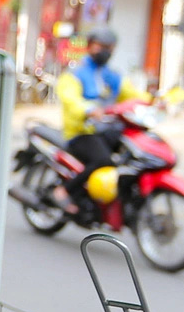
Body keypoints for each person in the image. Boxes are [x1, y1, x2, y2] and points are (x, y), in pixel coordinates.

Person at [54, 27, 136, 208]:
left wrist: (156, 101)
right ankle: (65, 191)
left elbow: (132, 95)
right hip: (81, 132)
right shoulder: (76, 73)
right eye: (102, 46)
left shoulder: (111, 75)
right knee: (103, 161)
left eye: (110, 47)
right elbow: (70, 99)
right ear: (90, 46)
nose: (106, 51)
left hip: (107, 131)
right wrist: (89, 109)